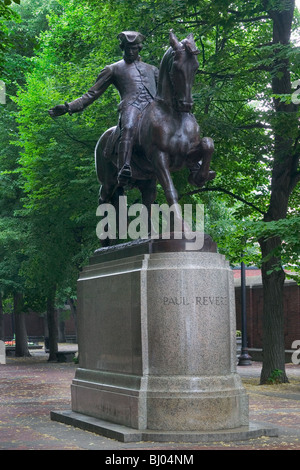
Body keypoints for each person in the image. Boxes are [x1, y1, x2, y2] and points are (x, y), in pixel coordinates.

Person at [49, 31, 159, 184]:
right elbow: (91, 94)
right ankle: (124, 166)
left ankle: (193, 162)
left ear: (139, 48)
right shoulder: (113, 69)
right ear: (122, 48)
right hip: (131, 107)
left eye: (134, 48)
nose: (130, 51)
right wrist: (68, 107)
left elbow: (165, 93)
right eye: (127, 48)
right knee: (128, 126)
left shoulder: (152, 69)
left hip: (154, 110)